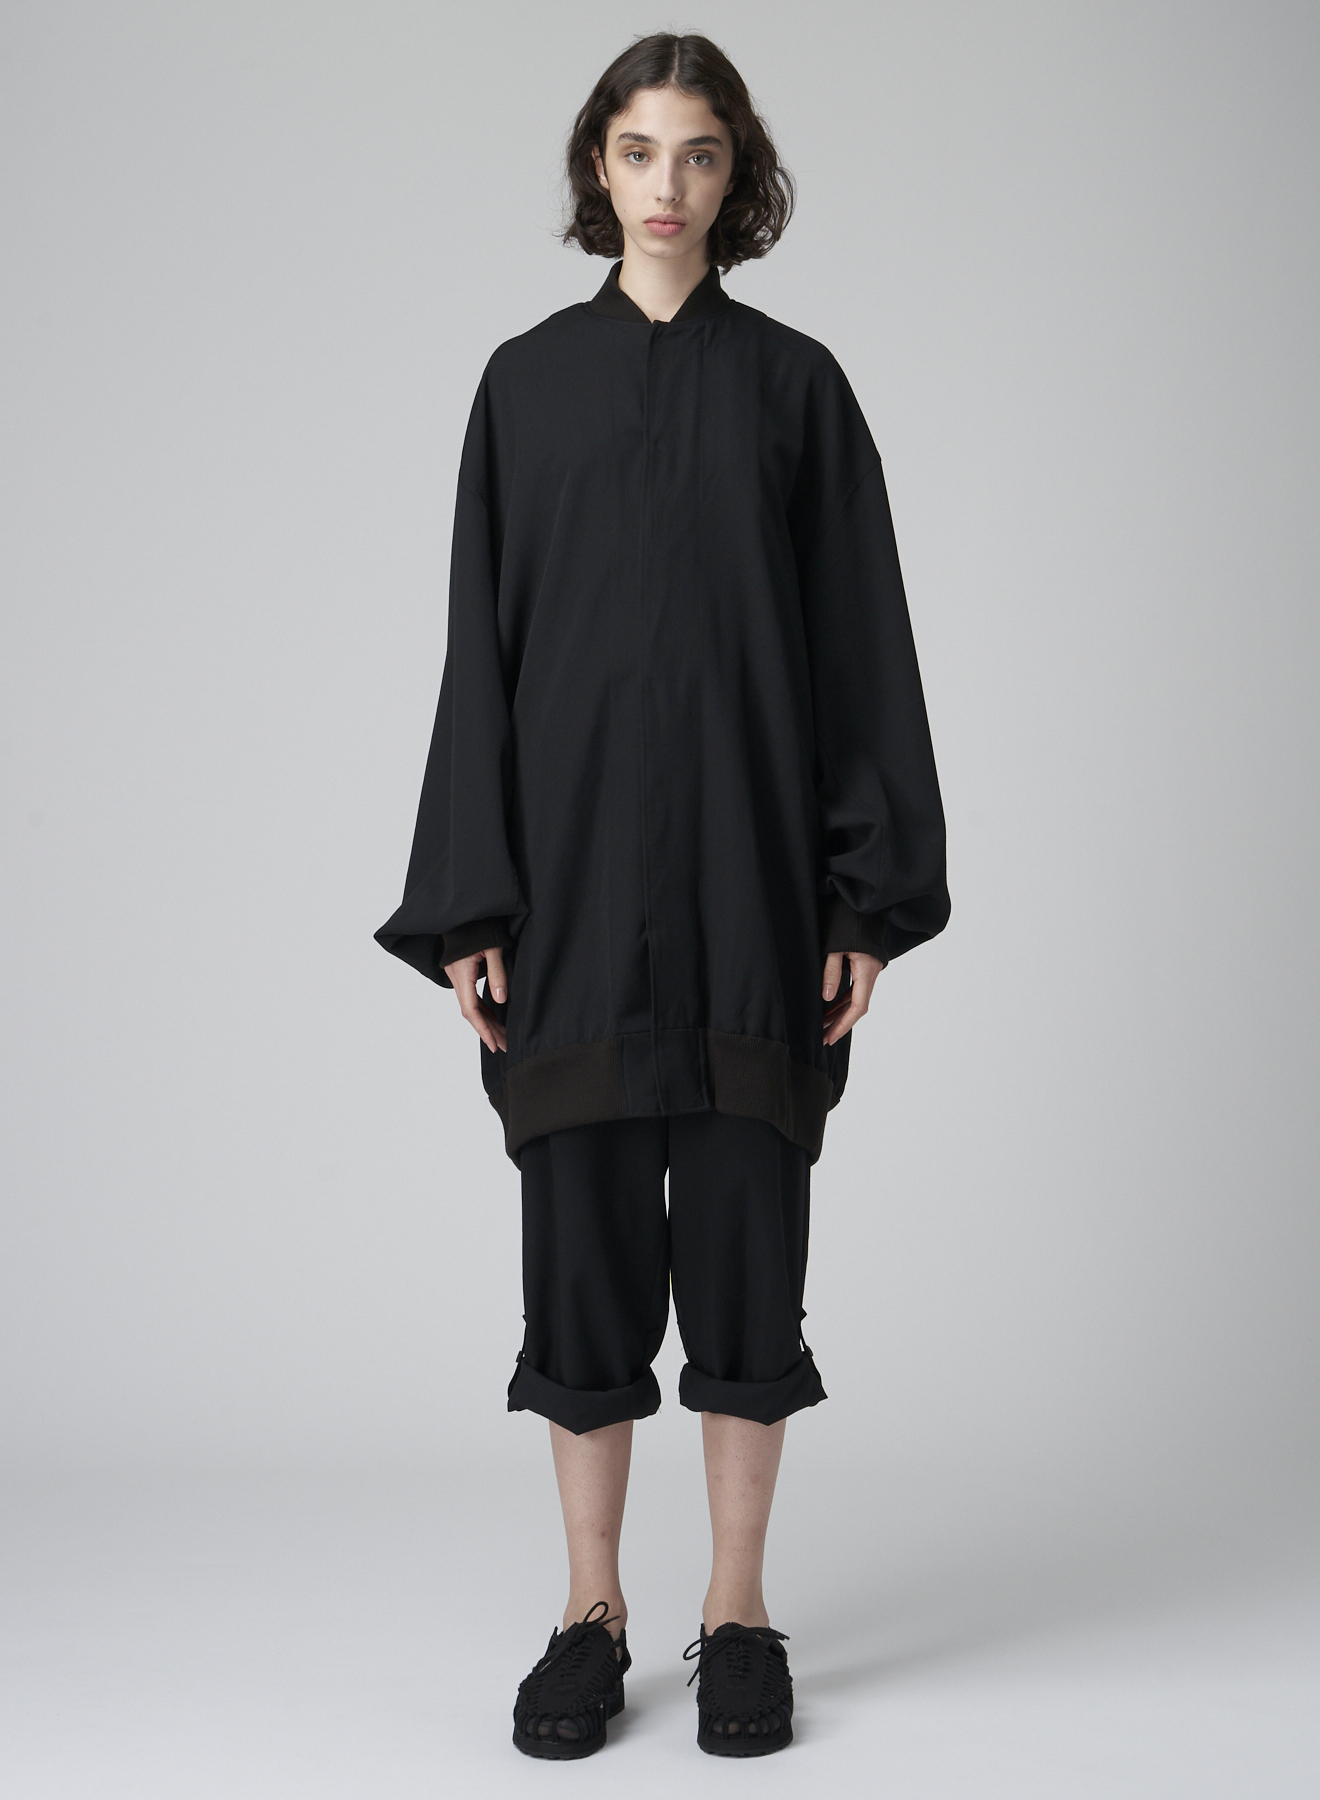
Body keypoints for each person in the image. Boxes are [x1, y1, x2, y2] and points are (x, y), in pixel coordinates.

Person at [375, 31, 949, 1760]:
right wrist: (475, 899)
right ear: (597, 169)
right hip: (566, 904)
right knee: (581, 1272)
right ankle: (590, 1611)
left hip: (754, 900)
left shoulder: (797, 392)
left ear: (736, 174)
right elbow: (479, 659)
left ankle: (738, 1613)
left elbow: (862, 655)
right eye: (639, 151)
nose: (669, 185)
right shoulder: (523, 389)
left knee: (752, 1271)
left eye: (700, 153)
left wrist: (861, 899)